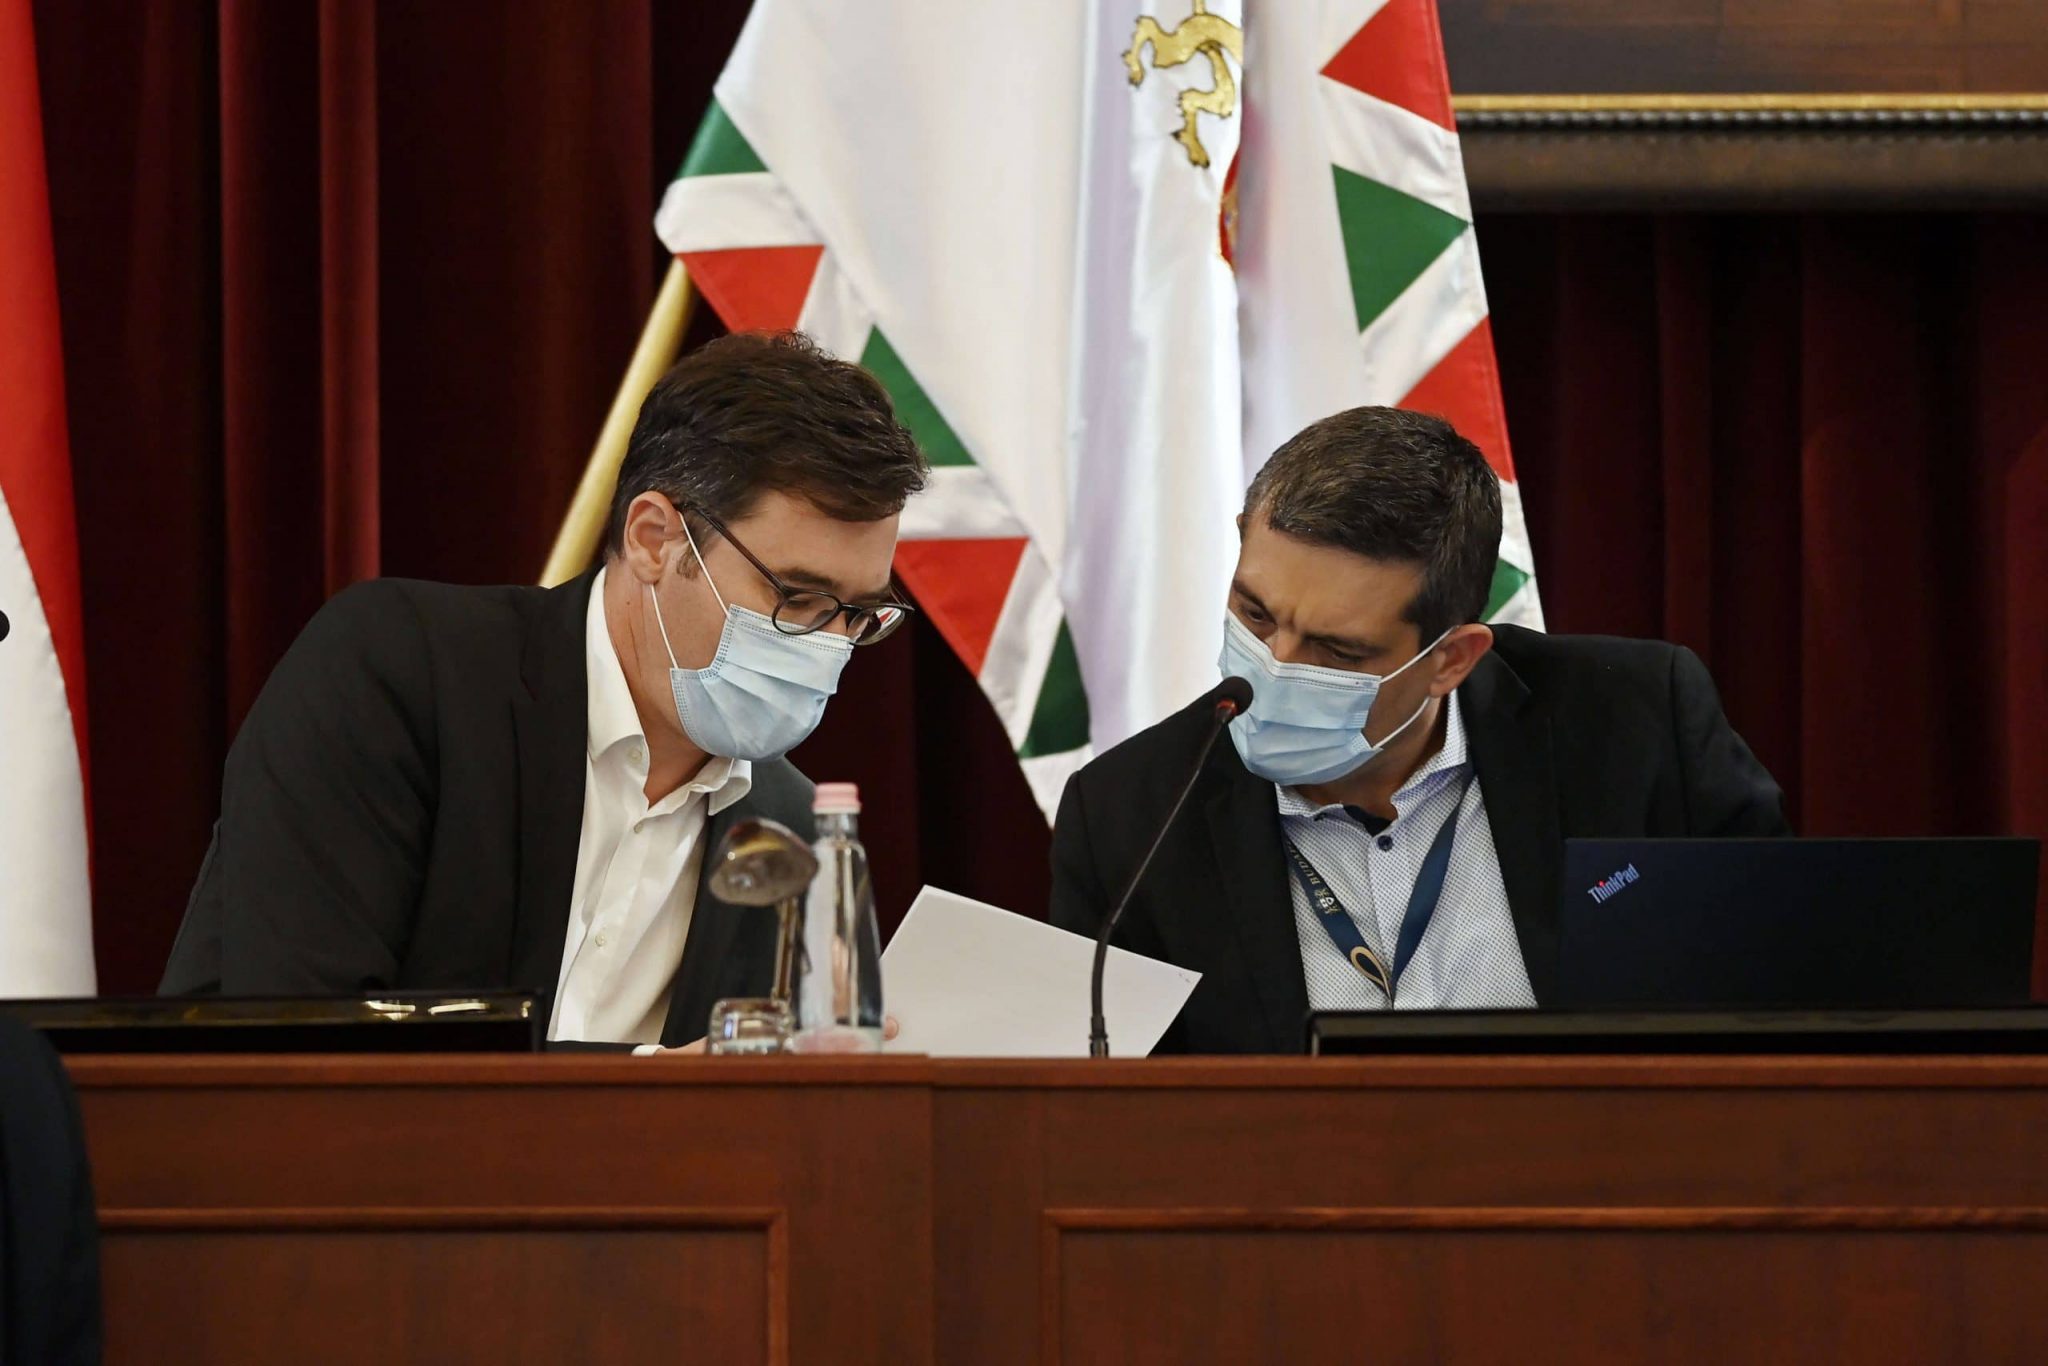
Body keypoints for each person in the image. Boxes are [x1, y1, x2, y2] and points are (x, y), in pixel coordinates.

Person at [160, 331, 928, 1048]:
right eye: (797, 596)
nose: (829, 644)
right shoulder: (400, 676)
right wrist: (661, 1091)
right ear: (654, 539)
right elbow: (302, 1041)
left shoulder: (792, 831)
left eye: (859, 615)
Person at [1050, 406, 1787, 1054]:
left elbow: (1786, 992)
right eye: (1256, 614)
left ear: (1451, 659)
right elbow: (1114, 1118)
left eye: (1337, 651)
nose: (1276, 667)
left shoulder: (1638, 725)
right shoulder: (1129, 818)